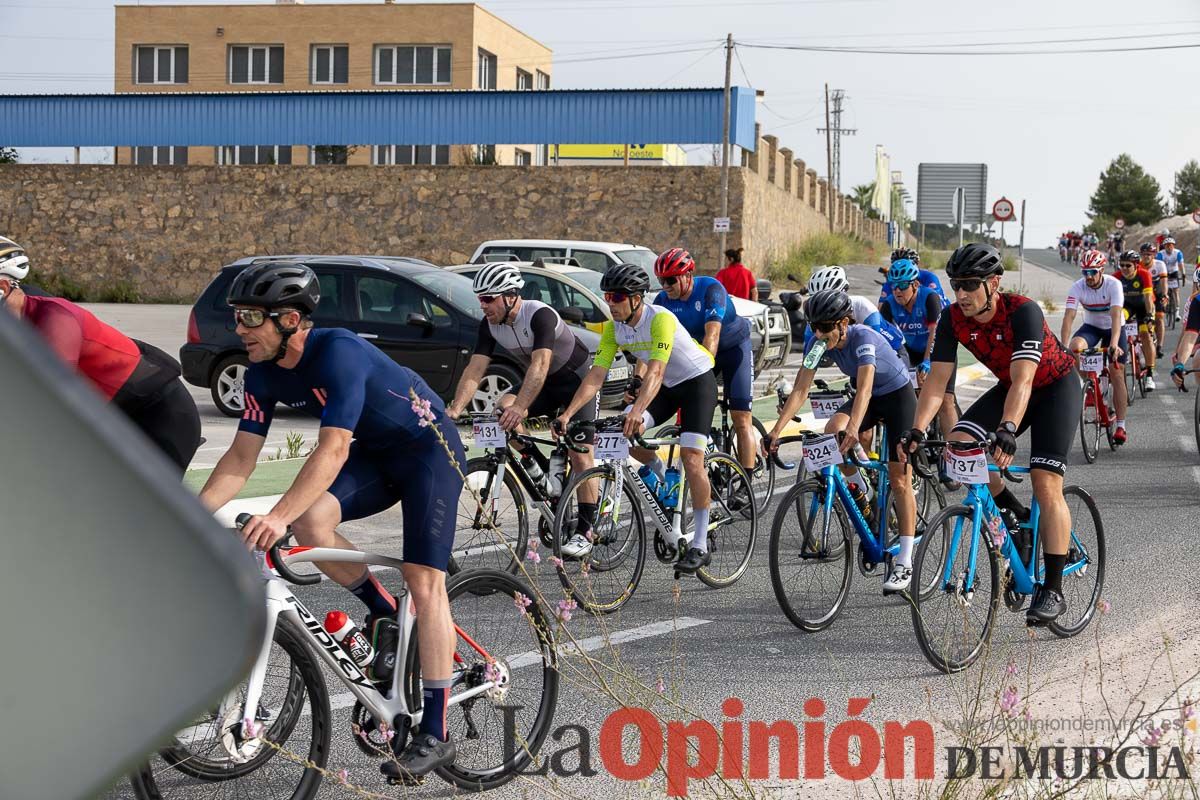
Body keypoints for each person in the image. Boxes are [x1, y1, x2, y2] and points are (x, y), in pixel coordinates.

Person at [197, 261, 463, 776]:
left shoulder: (338, 352)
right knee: (310, 523)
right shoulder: (259, 374)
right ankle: (383, 611)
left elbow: (334, 447)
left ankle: (435, 731)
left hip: (428, 451)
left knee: (425, 582)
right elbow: (240, 458)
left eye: (251, 317)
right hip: (378, 455)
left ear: (290, 319)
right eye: (238, 317)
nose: (239, 329)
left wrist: (275, 514)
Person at [899, 243, 1080, 625]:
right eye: (955, 285)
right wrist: (916, 428)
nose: (961, 294)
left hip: (1054, 387)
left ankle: (1052, 589)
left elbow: (1024, 378)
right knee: (961, 442)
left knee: (1045, 482)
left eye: (969, 284)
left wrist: (1008, 428)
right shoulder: (953, 319)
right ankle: (1014, 513)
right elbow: (937, 383)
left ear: (993, 283)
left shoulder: (1023, 311)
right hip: (1010, 387)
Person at [555, 262, 719, 574]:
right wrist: (568, 413)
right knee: (620, 435)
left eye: (617, 296)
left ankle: (699, 541)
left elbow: (655, 371)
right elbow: (596, 375)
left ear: (637, 298)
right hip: (669, 387)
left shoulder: (661, 320)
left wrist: (636, 411)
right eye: (607, 296)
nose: (611, 303)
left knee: (692, 458)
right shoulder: (614, 329)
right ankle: (657, 470)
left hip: (697, 383)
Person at [0, 235, 201, 472]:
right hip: (111, 417)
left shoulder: (56, 317)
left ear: (2, 288)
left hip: (159, 417)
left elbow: (50, 398)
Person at [765, 290, 919, 593]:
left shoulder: (863, 338)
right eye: (815, 328)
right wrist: (776, 431)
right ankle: (865, 492)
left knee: (899, 478)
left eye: (825, 328)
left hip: (897, 395)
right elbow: (800, 390)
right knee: (832, 429)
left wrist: (855, 428)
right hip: (872, 398)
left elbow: (863, 390)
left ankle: (905, 558)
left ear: (844, 323)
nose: (819, 335)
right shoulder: (816, 341)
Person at [445, 262, 598, 558]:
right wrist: (455, 409)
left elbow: (540, 366)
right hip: (544, 384)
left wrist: (521, 406)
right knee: (503, 409)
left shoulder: (538, 315)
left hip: (576, 382)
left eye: (488, 298)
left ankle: (586, 530)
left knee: (581, 454)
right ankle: (545, 476)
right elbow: (476, 369)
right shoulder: (489, 324)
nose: (483, 305)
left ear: (510, 295)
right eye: (480, 298)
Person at [652, 247, 757, 478]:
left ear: (688, 276)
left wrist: (701, 376)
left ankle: (746, 481)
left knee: (740, 417)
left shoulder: (711, 289)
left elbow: (713, 336)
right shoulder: (662, 300)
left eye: (670, 280)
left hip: (733, 350)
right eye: (661, 281)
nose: (665, 286)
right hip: (699, 352)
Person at [878, 258, 961, 478]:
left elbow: (935, 335)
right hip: (912, 349)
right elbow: (885, 340)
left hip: (940, 347)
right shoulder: (889, 305)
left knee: (945, 401)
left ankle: (954, 455)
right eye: (893, 285)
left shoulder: (929, 298)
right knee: (913, 395)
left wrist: (927, 362)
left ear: (915, 285)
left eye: (903, 285)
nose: (897, 290)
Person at [1061, 250, 1129, 445]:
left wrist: (1114, 344)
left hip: (1114, 328)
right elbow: (1069, 318)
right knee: (1075, 347)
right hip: (1091, 327)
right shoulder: (1078, 287)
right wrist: (1064, 346)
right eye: (1085, 272)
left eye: (1092, 272)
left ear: (1101, 270)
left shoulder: (1113, 284)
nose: (1088, 276)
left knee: (1117, 371)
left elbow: (1116, 316)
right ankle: (1091, 386)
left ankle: (1121, 425)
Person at [807, 265, 908, 361]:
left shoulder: (862, 306)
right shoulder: (816, 315)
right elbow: (808, 354)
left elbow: (874, 347)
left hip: (894, 351)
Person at [1114, 249, 1157, 391]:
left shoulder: (1144, 274)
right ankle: (1127, 348)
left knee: (1145, 335)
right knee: (1118, 322)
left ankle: (1150, 375)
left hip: (1144, 306)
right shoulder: (1117, 277)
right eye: (1122, 265)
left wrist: (1150, 315)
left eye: (1128, 265)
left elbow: (1148, 298)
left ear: (1136, 265)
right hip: (1127, 307)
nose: (1124, 269)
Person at [880, 248, 949, 308]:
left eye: (905, 265)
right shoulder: (891, 281)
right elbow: (881, 307)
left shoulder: (929, 277)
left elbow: (934, 302)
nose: (900, 271)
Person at [1144, 242, 1168, 357]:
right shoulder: (1138, 265)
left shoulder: (1160, 265)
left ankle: (1159, 346)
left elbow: (1164, 283)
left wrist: (1165, 295)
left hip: (1157, 292)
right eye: (1143, 254)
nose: (1146, 257)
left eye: (1149, 254)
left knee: (1159, 319)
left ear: (1153, 255)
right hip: (1144, 294)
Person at [1157, 237, 1185, 323]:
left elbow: (1181, 264)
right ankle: (1165, 305)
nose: (1169, 247)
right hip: (1164, 272)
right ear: (1164, 246)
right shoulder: (1160, 254)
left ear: (1173, 246)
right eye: (1167, 246)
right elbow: (1158, 266)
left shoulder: (1178, 253)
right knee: (1163, 291)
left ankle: (1177, 312)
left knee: (1176, 291)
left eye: (1171, 245)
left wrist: (1183, 274)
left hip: (1174, 272)